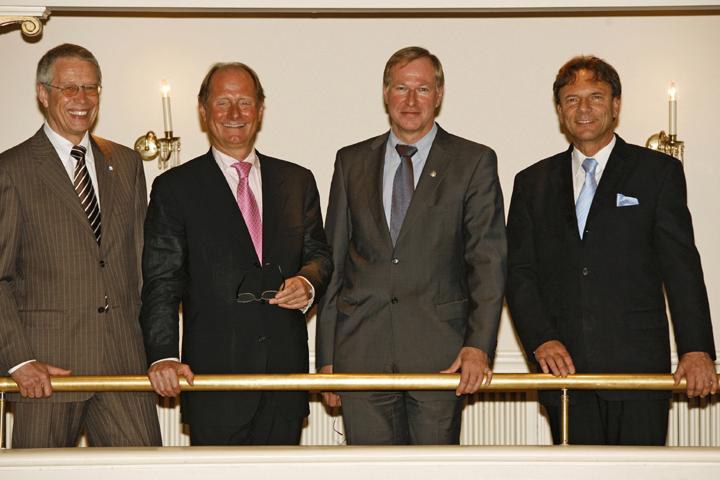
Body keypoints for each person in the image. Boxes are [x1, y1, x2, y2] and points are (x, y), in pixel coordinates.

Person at [506, 55, 717, 445]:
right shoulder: (531, 183)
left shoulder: (657, 172)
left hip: (638, 371)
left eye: (596, 97)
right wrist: (541, 340)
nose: (583, 109)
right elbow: (519, 273)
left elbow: (681, 267)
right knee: (577, 472)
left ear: (616, 105)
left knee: (640, 471)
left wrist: (697, 348)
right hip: (563, 374)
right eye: (572, 100)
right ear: (559, 110)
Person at [316, 46, 506, 445]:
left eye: (423, 89)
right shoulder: (350, 161)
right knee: (370, 470)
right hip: (360, 355)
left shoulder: (473, 161)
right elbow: (335, 261)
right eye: (401, 88)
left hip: (441, 355)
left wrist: (478, 346)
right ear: (386, 93)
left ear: (439, 95)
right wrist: (328, 359)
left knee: (433, 470)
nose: (411, 100)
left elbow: (487, 262)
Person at [140, 62, 332, 446]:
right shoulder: (175, 188)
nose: (234, 113)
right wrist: (163, 355)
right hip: (214, 382)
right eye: (222, 102)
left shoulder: (297, 181)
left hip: (283, 381)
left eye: (244, 102)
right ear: (203, 110)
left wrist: (307, 282)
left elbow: (319, 255)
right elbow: (162, 281)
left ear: (260, 109)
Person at [0, 43, 161, 448]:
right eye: (69, 88)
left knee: (146, 473)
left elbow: (143, 267)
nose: (82, 99)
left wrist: (159, 350)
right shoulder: (11, 169)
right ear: (43, 94)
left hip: (124, 365)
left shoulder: (127, 163)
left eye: (91, 88)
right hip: (45, 372)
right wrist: (17, 360)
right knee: (38, 474)